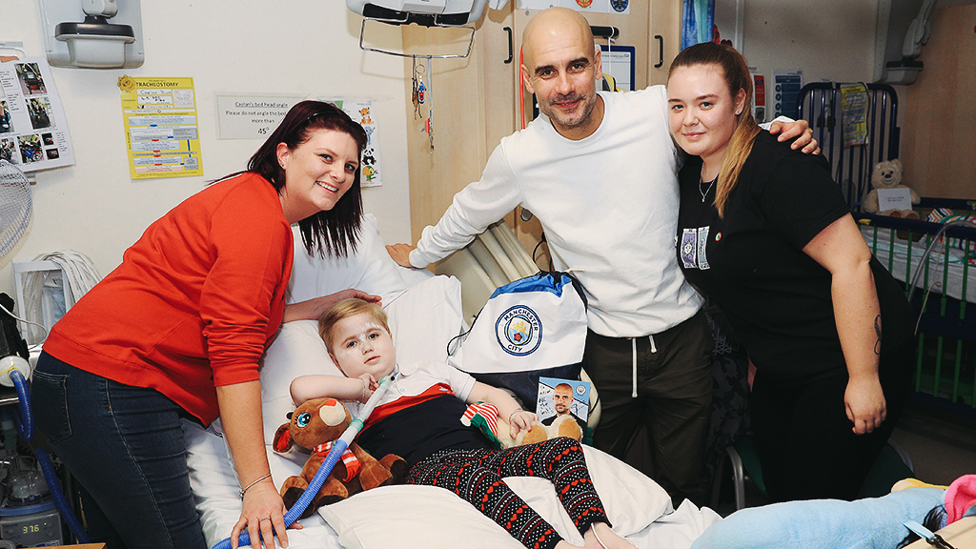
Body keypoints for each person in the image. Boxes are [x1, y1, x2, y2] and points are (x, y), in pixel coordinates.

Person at [386, 6, 818, 505]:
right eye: (547, 72)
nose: (564, 85)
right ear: (528, 78)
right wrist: (418, 254)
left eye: (576, 66)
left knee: (684, 487)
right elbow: (467, 213)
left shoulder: (655, 111)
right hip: (597, 352)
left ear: (596, 61)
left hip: (682, 342)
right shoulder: (519, 156)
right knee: (597, 485)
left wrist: (784, 128)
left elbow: (722, 126)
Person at [30, 100, 381, 549]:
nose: (339, 174)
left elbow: (235, 314)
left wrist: (321, 305)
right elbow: (234, 354)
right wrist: (256, 486)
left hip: (85, 380)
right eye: (326, 158)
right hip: (109, 385)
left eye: (350, 166)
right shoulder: (258, 219)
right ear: (285, 154)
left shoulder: (254, 205)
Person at [667, 41, 914, 502]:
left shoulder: (778, 162)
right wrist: (759, 359)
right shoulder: (689, 177)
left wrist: (864, 377)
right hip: (782, 365)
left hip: (844, 356)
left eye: (706, 103)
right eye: (677, 106)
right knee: (782, 496)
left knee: (816, 502)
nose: (689, 119)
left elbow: (853, 263)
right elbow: (752, 279)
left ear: (740, 101)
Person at [290, 298, 636, 549]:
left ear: (391, 338)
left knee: (562, 448)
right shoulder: (350, 404)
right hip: (424, 471)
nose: (366, 347)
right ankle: (555, 546)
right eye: (352, 344)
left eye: (373, 335)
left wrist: (512, 410)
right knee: (472, 477)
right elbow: (299, 388)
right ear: (336, 360)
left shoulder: (428, 371)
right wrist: (356, 387)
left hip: (481, 454)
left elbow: (484, 392)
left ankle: (597, 532)